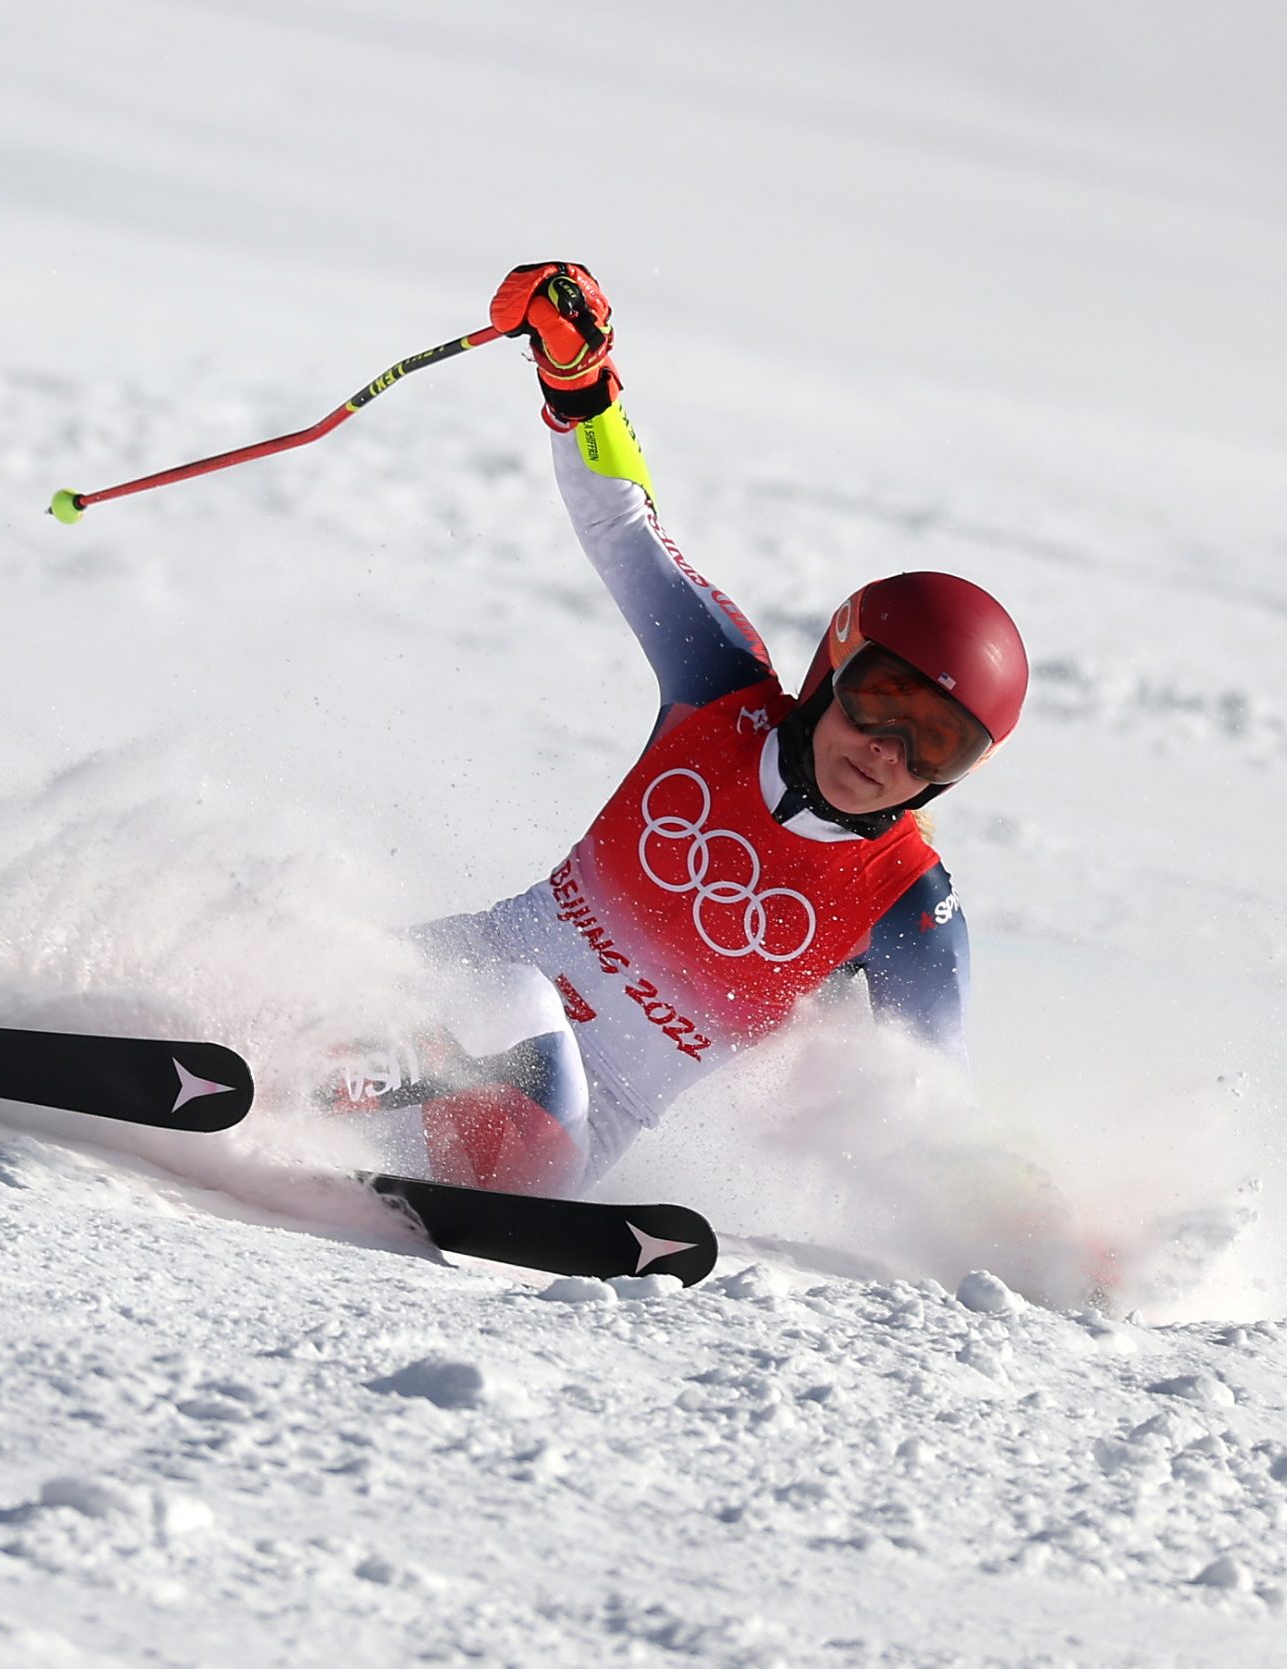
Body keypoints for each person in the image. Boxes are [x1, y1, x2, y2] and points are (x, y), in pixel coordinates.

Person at [323, 261, 1029, 1198]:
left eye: (932, 746)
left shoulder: (904, 906)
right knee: (304, 930)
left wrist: (1057, 1238)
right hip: (427, 1000)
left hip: (534, 1150)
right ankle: (242, 1051)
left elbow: (940, 1110)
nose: (885, 753)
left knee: (513, 999)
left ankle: (307, 1081)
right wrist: (580, 384)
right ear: (833, 666)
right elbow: (625, 531)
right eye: (879, 705)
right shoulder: (721, 692)